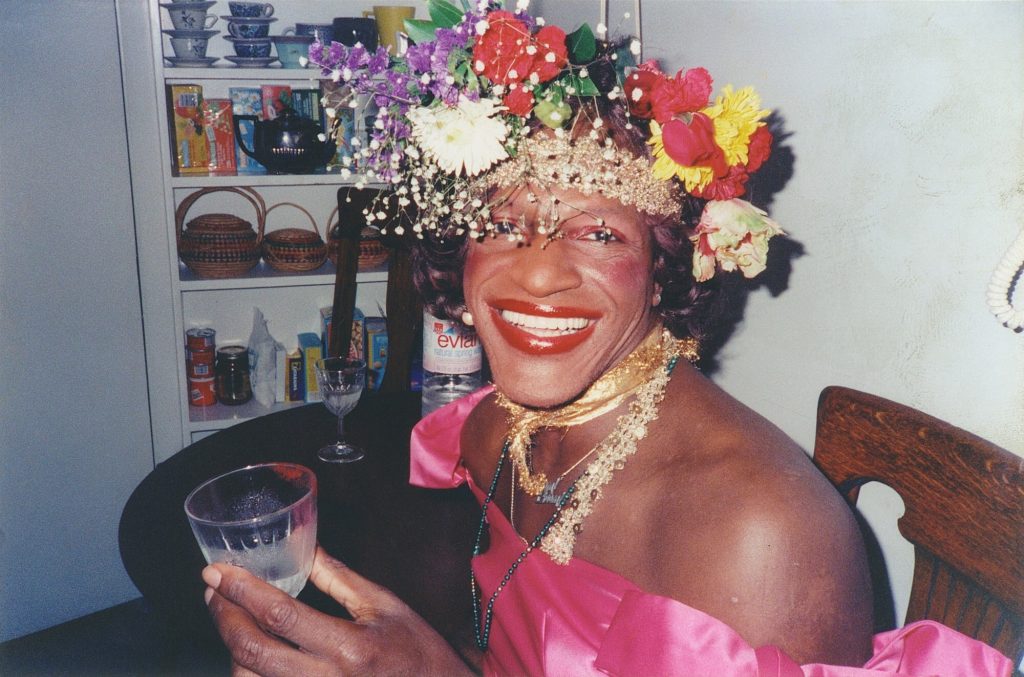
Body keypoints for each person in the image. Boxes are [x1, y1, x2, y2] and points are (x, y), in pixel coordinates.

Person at [202, 3, 1014, 675]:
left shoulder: (759, 537)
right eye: (502, 224)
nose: (538, 275)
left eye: (598, 233)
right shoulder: (498, 430)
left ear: (663, 270)